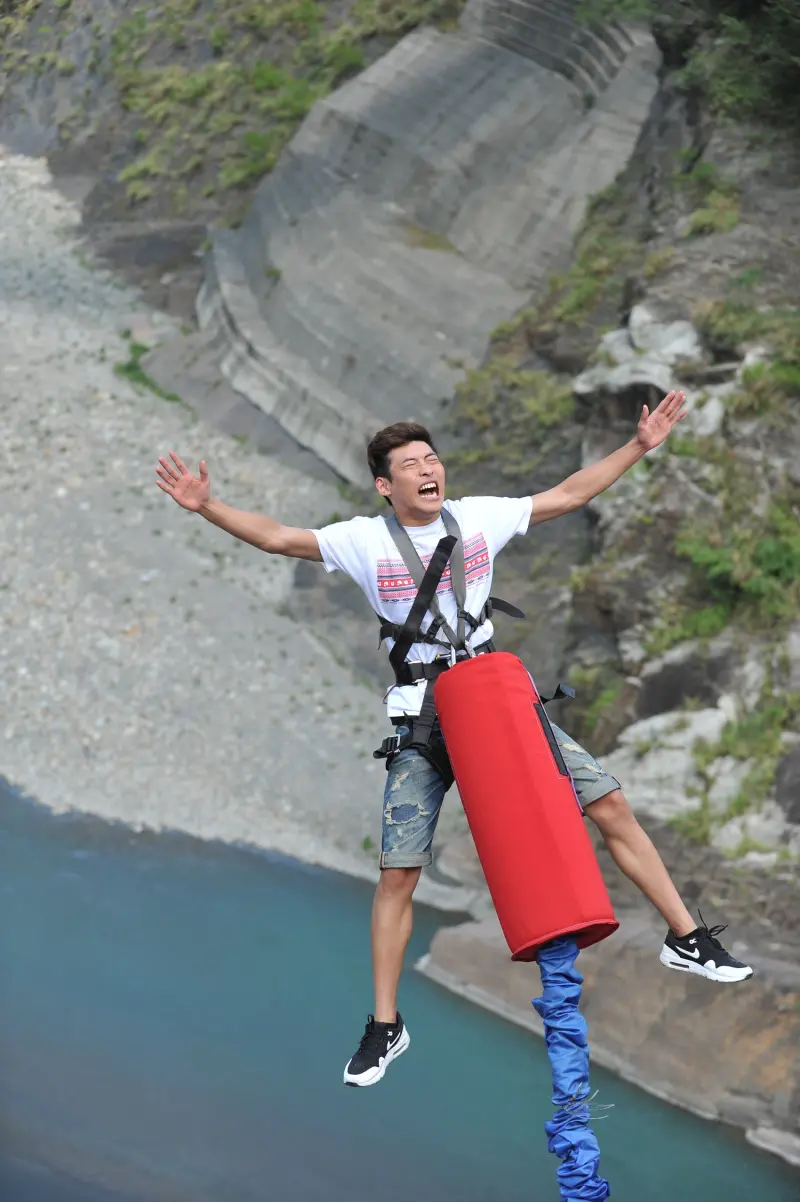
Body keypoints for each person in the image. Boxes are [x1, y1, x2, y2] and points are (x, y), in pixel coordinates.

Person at [155, 389, 753, 1089]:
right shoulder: (363, 540)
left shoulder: (479, 520)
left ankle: (686, 937)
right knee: (399, 874)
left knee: (609, 805)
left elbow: (566, 495)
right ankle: (385, 1024)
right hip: (426, 720)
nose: (428, 469)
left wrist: (639, 446)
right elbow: (279, 536)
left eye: (432, 458)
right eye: (411, 464)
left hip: (499, 708)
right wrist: (208, 507)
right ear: (386, 484)